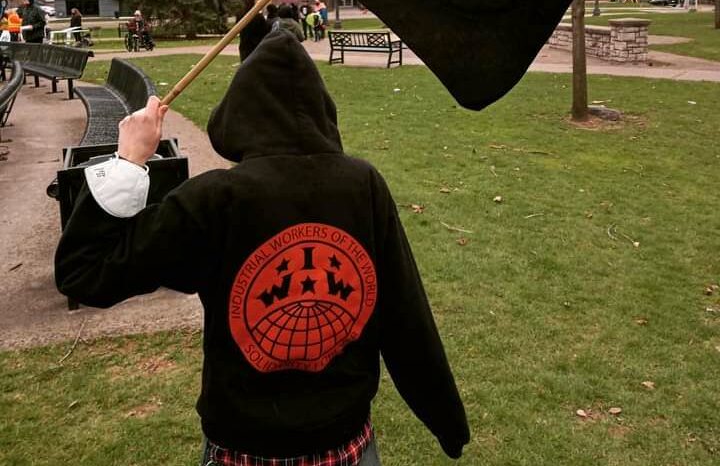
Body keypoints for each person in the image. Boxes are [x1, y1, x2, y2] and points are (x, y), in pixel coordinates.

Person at [54, 30, 469, 465]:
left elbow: (86, 270)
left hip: (259, 446)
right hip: (343, 445)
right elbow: (407, 318)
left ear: (239, 113)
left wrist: (128, 160)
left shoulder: (215, 199)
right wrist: (447, 422)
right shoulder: (361, 185)